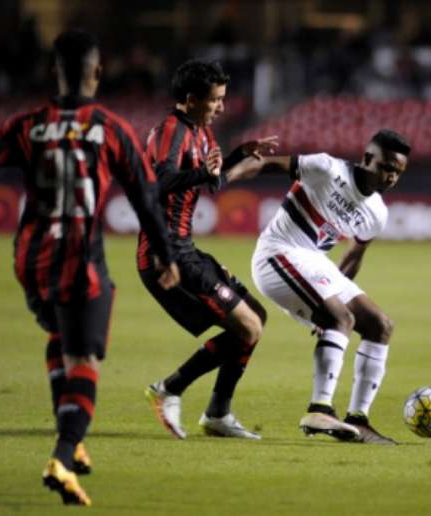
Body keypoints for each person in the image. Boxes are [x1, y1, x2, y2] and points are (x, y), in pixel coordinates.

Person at [0, 29, 179, 506]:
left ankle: (73, 440)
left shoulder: (27, 125)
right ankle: (61, 456)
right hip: (81, 257)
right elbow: (145, 196)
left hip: (30, 256)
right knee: (86, 360)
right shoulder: (110, 127)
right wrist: (164, 253)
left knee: (61, 339)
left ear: (53, 72)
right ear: (97, 72)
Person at [231, 129, 410, 445]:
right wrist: (226, 175)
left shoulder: (377, 213)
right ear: (368, 158)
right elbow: (269, 164)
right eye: (387, 167)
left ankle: (359, 420)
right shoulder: (327, 168)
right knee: (341, 319)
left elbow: (354, 255)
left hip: (314, 262)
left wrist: (327, 298)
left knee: (380, 325)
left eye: (398, 172)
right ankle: (319, 409)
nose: (392, 176)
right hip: (277, 252)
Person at [138, 59, 277, 440]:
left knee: (257, 318)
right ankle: (168, 389)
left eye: (222, 99)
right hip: (165, 255)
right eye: (215, 100)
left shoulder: (201, 133)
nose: (221, 107)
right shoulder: (171, 130)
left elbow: (211, 183)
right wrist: (205, 173)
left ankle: (217, 414)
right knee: (246, 327)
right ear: (189, 99)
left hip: (186, 250)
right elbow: (158, 182)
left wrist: (238, 157)